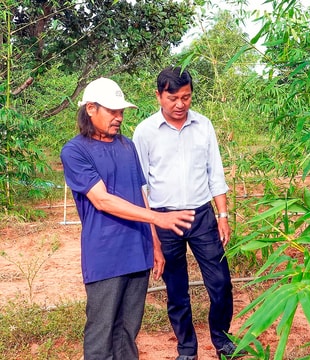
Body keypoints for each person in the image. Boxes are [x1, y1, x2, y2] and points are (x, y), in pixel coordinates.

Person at [60, 77, 195, 359]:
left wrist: (155, 245)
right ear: (91, 109)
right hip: (105, 255)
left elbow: (140, 193)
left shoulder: (126, 146)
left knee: (127, 331)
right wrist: (159, 219)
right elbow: (102, 200)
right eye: (113, 111)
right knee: (102, 332)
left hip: (137, 250)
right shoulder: (75, 151)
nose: (119, 117)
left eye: (121, 112)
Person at [133, 67, 244, 360]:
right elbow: (140, 185)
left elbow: (215, 173)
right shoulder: (144, 132)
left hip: (201, 215)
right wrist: (153, 231)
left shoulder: (203, 126)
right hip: (164, 218)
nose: (180, 104)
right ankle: (186, 348)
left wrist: (222, 215)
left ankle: (222, 339)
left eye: (187, 97)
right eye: (173, 98)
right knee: (177, 288)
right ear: (158, 96)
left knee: (220, 282)